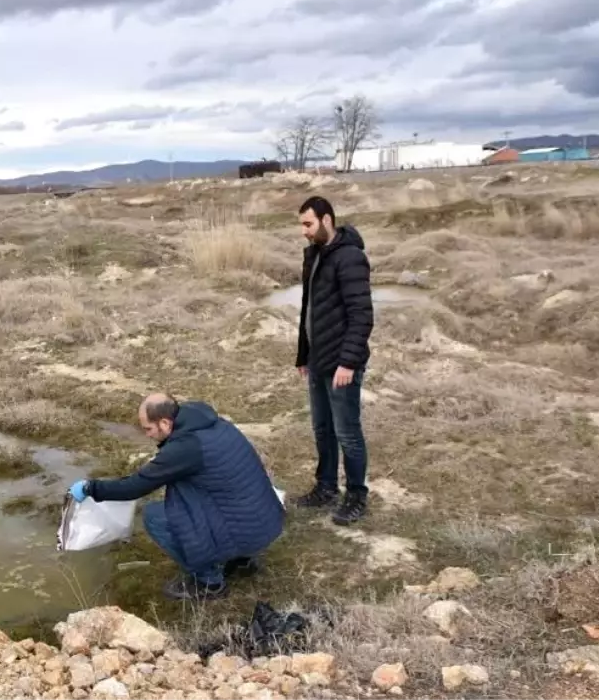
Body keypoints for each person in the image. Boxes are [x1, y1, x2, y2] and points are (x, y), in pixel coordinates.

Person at [68, 393, 285, 601]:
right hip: (265, 521)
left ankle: (209, 582)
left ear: (164, 423)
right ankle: (241, 561)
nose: (147, 435)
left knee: (155, 516)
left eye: (148, 429)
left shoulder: (184, 449)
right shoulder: (211, 424)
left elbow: (133, 487)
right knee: (198, 496)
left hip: (248, 531)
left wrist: (90, 488)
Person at [292, 195, 374, 525]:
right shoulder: (314, 255)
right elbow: (308, 310)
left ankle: (356, 495)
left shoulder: (350, 258)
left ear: (327, 220)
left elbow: (362, 316)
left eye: (308, 224)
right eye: (302, 225)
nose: (304, 232)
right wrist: (303, 354)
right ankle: (326, 487)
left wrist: (349, 363)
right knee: (322, 429)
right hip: (318, 360)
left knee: (347, 432)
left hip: (342, 364)